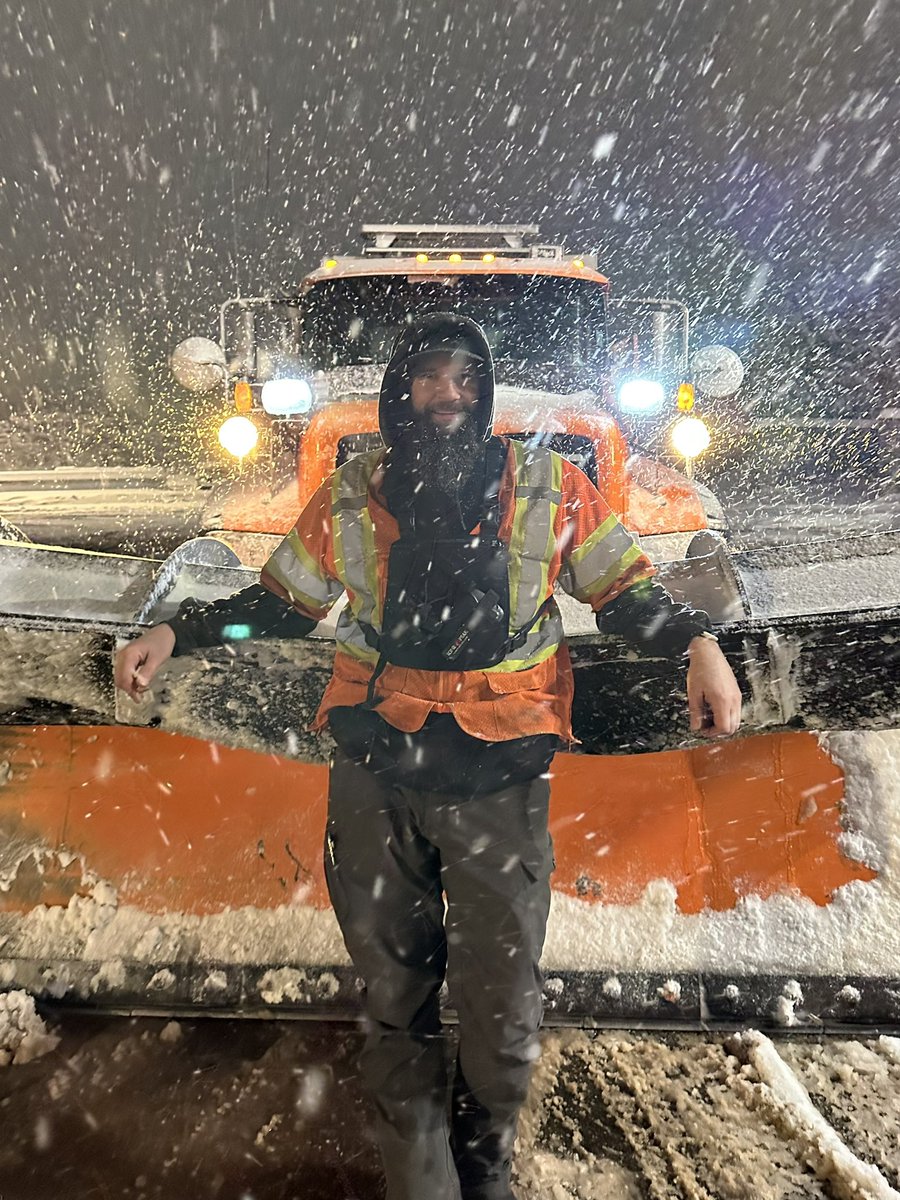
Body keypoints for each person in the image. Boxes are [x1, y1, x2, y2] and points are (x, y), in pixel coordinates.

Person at [115, 312, 742, 1200]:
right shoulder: (348, 495)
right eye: (429, 378)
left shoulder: (550, 486)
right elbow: (285, 607)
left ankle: (483, 1163)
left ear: (484, 390)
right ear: (399, 389)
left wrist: (697, 645)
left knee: (501, 1004)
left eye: (465, 379)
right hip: (376, 777)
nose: (448, 396)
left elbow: (625, 589)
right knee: (392, 1002)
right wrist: (178, 629)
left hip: (500, 780)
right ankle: (421, 1181)